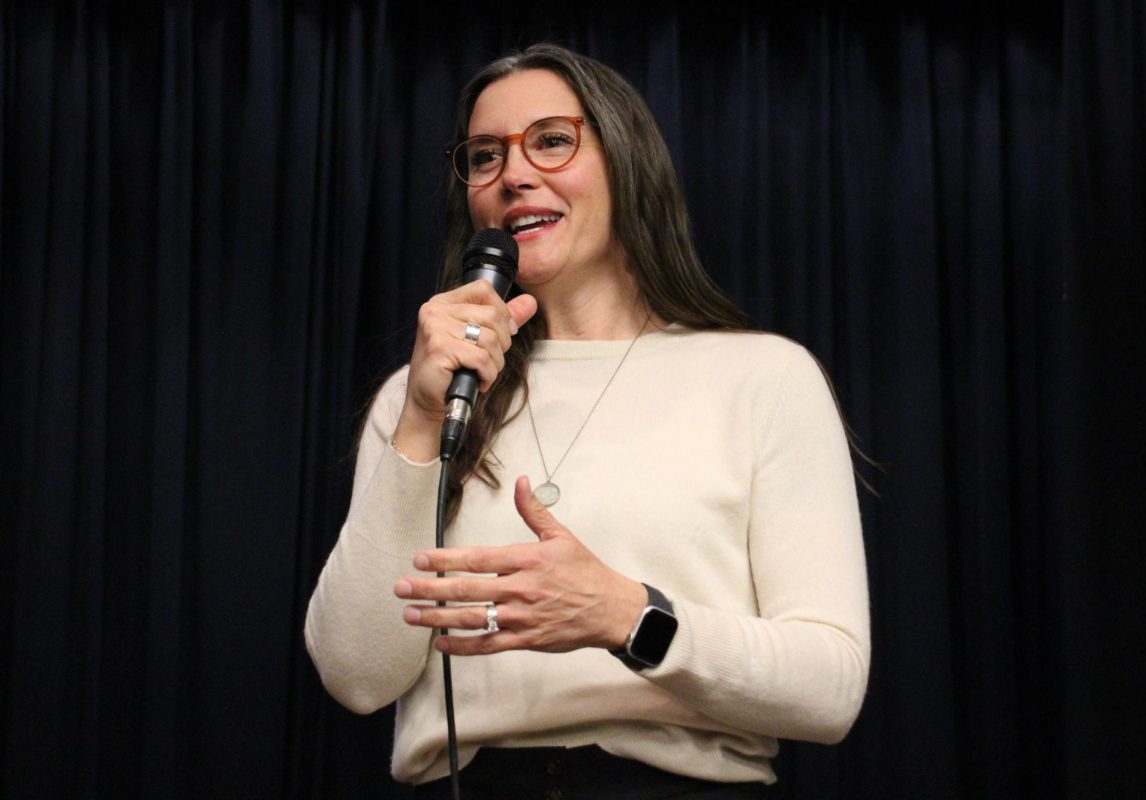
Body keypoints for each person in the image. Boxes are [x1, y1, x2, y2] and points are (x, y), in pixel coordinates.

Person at [305, 44, 869, 798]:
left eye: (551, 140)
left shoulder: (762, 377)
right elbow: (354, 674)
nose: (512, 174)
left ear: (627, 164)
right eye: (483, 155)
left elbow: (829, 688)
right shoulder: (425, 394)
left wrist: (626, 615)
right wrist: (417, 416)